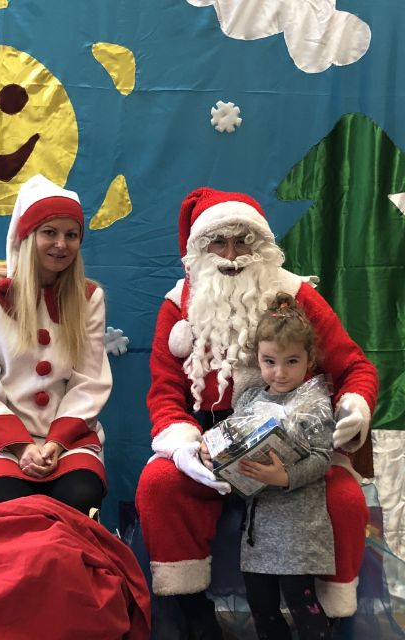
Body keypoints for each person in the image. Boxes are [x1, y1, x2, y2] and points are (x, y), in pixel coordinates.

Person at [135, 187, 378, 639]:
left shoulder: (295, 294)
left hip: (295, 440)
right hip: (209, 441)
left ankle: (330, 615)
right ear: (200, 248)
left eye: (242, 241)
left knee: (344, 499)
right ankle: (194, 613)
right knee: (159, 485)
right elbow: (165, 391)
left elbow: (354, 367)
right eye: (218, 242)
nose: (231, 256)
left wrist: (354, 405)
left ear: (261, 244)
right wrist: (184, 445)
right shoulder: (177, 304)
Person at [0, 174, 112, 517]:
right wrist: (21, 446)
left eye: (72, 235)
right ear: (26, 235)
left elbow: (90, 382)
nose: (61, 244)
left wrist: (56, 443)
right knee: (14, 506)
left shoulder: (89, 298)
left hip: (66, 439)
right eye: (49, 232)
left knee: (81, 496)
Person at [200, 292, 335, 640]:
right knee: (261, 607)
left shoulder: (314, 402)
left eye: (292, 361)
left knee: (302, 604)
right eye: (269, 361)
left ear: (309, 359)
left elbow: (322, 458)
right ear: (257, 359)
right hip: (257, 532)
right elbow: (229, 441)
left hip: (298, 527)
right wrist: (210, 451)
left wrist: (285, 476)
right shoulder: (249, 399)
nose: (280, 372)